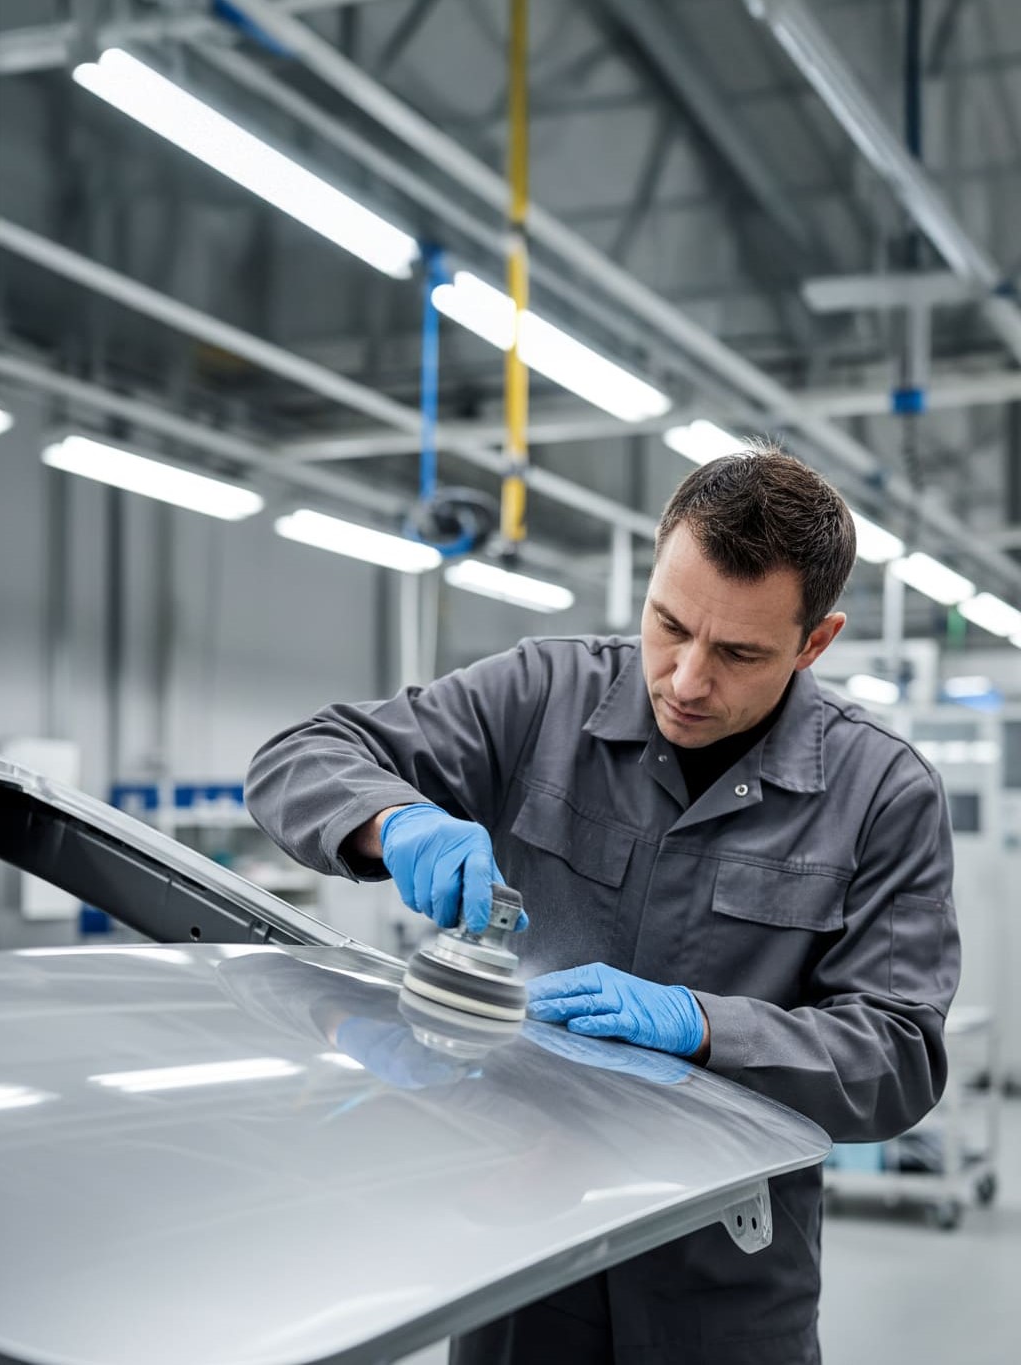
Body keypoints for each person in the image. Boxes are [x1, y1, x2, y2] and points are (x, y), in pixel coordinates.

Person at [245, 448, 960, 1365]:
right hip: (520, 1236)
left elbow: (899, 1054)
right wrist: (396, 819)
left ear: (815, 642)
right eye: (669, 624)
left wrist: (703, 1028)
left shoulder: (882, 793)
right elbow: (299, 756)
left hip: (725, 1275)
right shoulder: (541, 696)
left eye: (739, 652)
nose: (688, 680)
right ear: (652, 576)